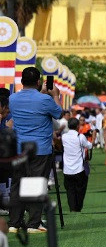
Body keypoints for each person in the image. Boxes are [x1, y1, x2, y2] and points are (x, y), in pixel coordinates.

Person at [7, 68, 62, 232]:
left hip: (19, 148)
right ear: (38, 82)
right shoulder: (44, 99)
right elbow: (58, 113)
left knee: (17, 185)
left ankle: (14, 222)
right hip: (40, 149)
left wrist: (42, 94)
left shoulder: (12, 98)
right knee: (36, 184)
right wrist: (55, 95)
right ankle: (33, 223)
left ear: (21, 81)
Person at [62, 117, 93, 212]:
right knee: (80, 190)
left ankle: (72, 208)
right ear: (78, 126)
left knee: (70, 190)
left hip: (67, 169)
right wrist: (93, 137)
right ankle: (78, 207)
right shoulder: (80, 136)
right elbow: (89, 146)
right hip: (79, 168)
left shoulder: (64, 137)